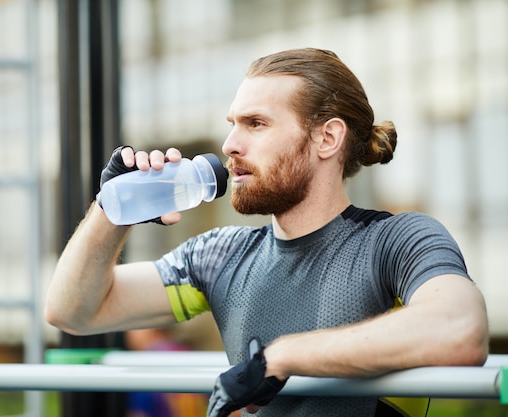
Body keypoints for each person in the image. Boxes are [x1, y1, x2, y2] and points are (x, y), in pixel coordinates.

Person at [45, 48, 489, 417]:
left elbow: (459, 330)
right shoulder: (218, 255)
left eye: (256, 124)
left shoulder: (395, 240)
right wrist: (110, 209)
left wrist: (281, 359)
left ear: (327, 138)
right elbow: (75, 311)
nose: (230, 145)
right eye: (232, 124)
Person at [125, 327, 209, 417]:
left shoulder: (145, 364)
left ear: (150, 326)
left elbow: (139, 413)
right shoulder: (190, 355)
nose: (127, 334)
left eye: (132, 327)